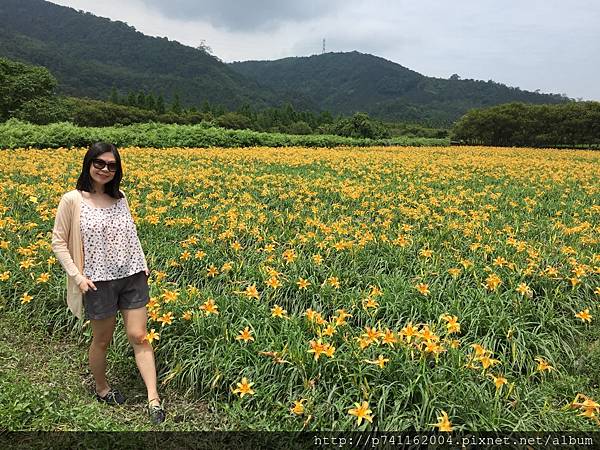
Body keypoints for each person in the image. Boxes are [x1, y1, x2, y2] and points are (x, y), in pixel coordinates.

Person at [51, 142, 165, 424]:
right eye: (99, 163)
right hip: (97, 281)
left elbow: (130, 232)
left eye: (112, 166)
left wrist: (142, 262)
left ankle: (154, 399)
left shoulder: (121, 197)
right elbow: (58, 242)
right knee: (102, 340)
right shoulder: (72, 200)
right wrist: (78, 277)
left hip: (132, 276)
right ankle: (102, 389)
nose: (105, 169)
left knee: (140, 335)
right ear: (88, 164)